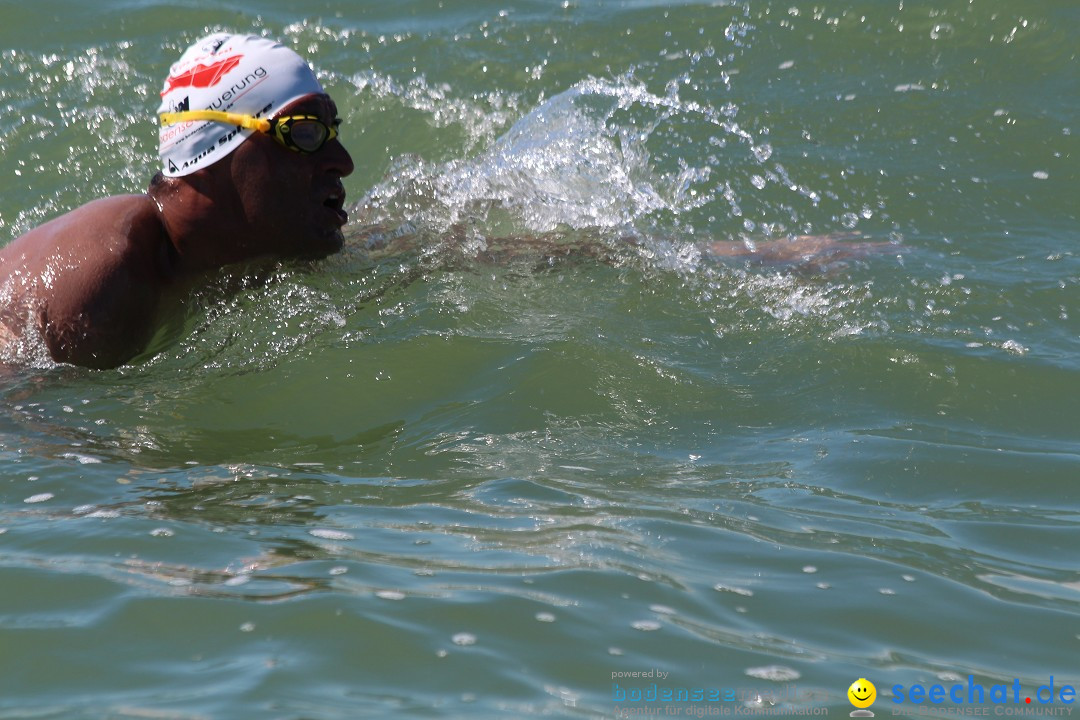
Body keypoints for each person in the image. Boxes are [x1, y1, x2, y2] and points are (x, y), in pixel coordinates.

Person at [0, 33, 354, 369]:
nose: (343, 161)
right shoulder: (109, 278)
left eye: (331, 130)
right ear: (211, 155)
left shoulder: (247, 243)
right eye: (305, 133)